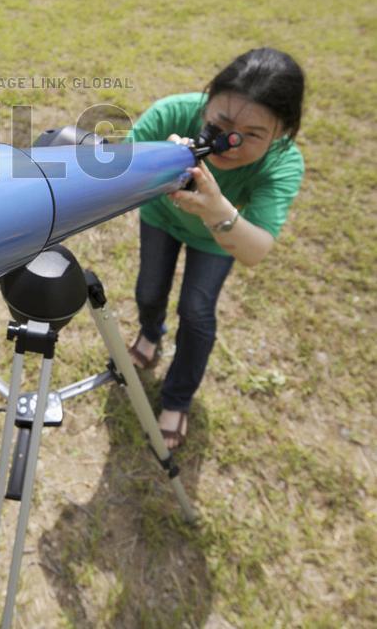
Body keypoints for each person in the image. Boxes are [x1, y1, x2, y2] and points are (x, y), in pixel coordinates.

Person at [128, 47, 305, 449]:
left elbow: (255, 249)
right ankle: (150, 334)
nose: (229, 142)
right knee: (149, 289)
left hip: (221, 237)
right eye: (219, 123)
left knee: (196, 310)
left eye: (254, 135)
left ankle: (177, 399)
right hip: (161, 217)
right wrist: (157, 162)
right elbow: (115, 166)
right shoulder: (172, 113)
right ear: (206, 102)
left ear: (283, 132)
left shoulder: (283, 163)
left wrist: (217, 210)